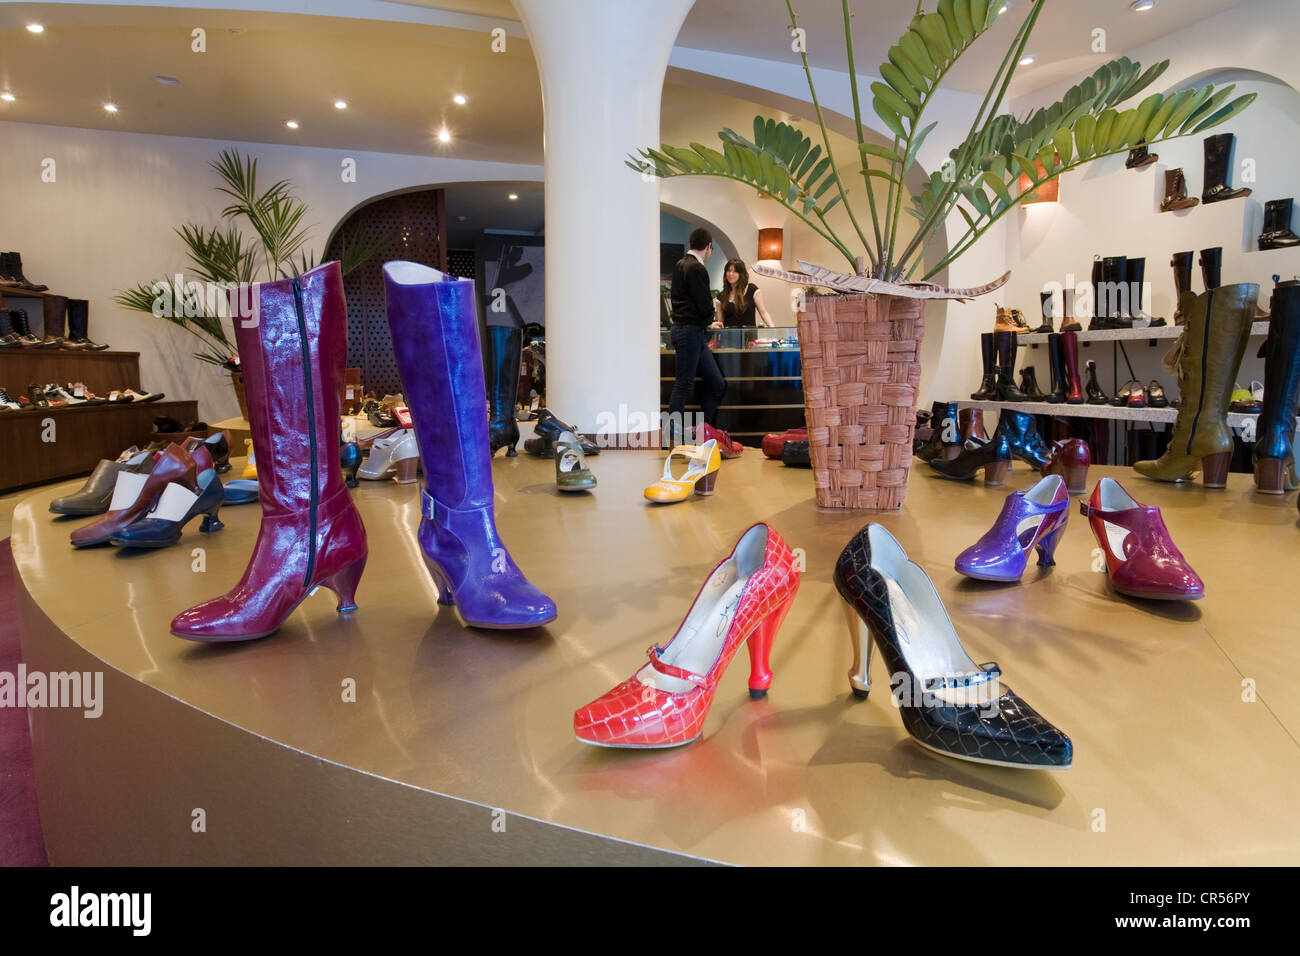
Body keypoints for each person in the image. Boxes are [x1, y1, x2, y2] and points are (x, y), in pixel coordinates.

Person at [667, 228, 726, 445]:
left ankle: (702, 433)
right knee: (684, 383)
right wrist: (710, 320)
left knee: (715, 382)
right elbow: (703, 305)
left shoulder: (680, 265)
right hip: (690, 331)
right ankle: (673, 435)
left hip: (687, 331)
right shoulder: (697, 269)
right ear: (709, 247)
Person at [713, 259, 775, 328]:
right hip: (729, 337)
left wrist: (773, 328)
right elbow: (720, 322)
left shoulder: (752, 289)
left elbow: (764, 313)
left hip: (749, 337)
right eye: (729, 271)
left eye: (735, 271)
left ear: (741, 274)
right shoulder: (721, 297)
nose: (731, 274)